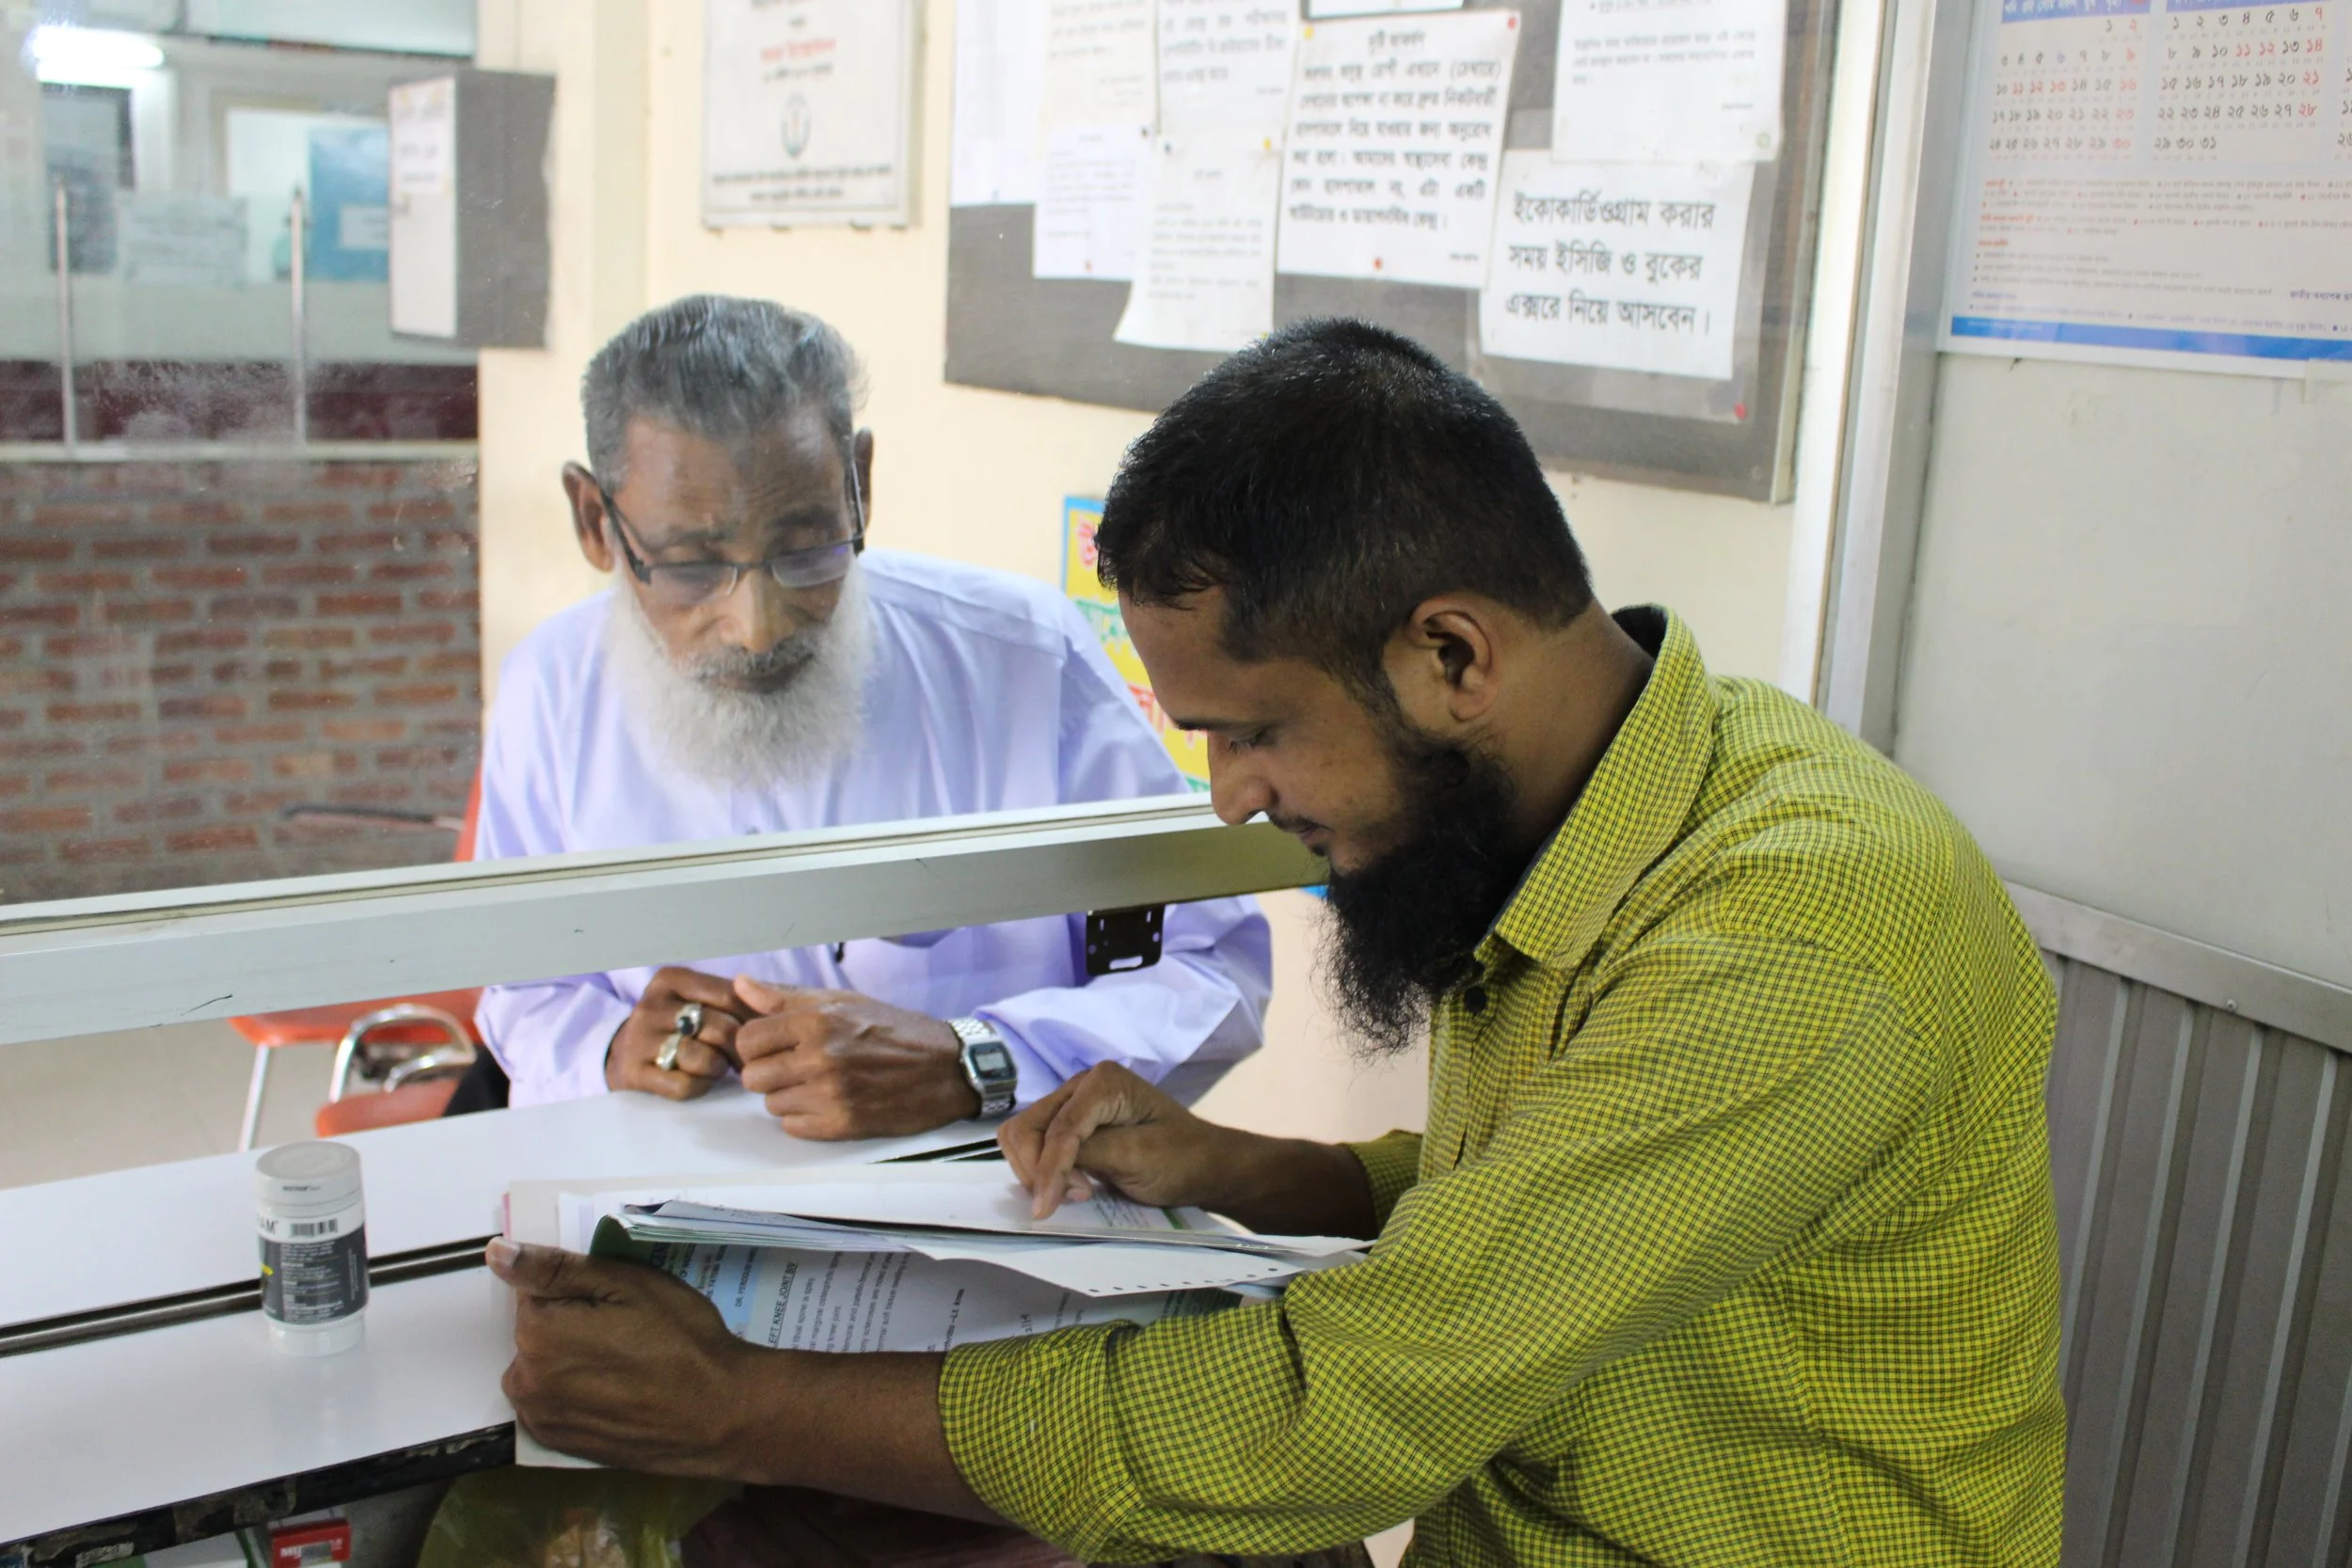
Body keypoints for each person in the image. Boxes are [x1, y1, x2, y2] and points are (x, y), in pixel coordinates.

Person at [488, 319, 2067, 1564]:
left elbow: (1341, 1409)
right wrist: (1267, 1175)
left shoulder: (1788, 939)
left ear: (1451, 652)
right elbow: (1539, 1199)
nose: (1235, 805)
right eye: (690, 558)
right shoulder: (1638, 796)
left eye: (1250, 736)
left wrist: (740, 1407)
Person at [461, 295, 1269, 1137]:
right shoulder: (551, 689)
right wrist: (608, 1047)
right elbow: (521, 988)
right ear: (596, 522)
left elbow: (1211, 971)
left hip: (988, 1203)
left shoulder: (1022, 661)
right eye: (693, 565)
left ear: (860, 484)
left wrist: (978, 1060)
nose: (758, 626)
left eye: (806, 549)